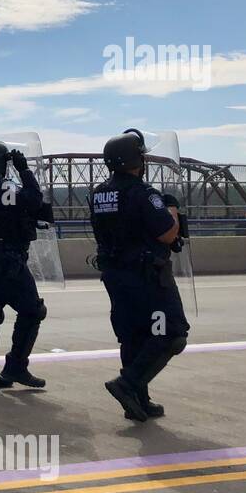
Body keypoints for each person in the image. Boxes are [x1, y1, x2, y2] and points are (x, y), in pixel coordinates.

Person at [90, 130, 189, 421]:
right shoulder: (144, 194)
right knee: (171, 333)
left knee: (134, 336)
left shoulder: (99, 194)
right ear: (136, 160)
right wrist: (171, 206)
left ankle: (138, 402)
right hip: (148, 277)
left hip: (116, 275)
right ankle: (128, 384)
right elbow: (168, 233)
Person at [0, 142, 49, 389]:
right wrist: (24, 171)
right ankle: (16, 365)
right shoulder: (3, 186)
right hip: (8, 261)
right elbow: (34, 200)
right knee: (33, 310)